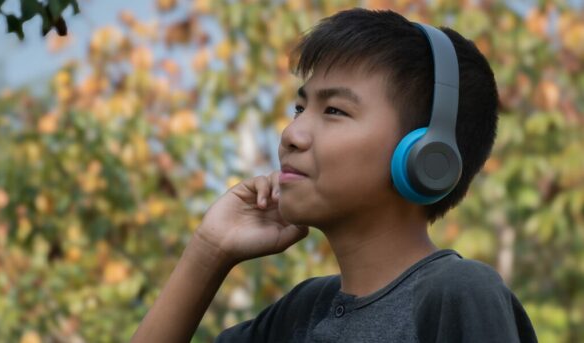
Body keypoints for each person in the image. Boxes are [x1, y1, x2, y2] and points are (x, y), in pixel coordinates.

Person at [132, 7, 537, 343]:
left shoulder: (458, 293)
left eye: (334, 111)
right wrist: (209, 251)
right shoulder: (301, 313)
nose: (291, 135)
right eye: (299, 109)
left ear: (427, 155)